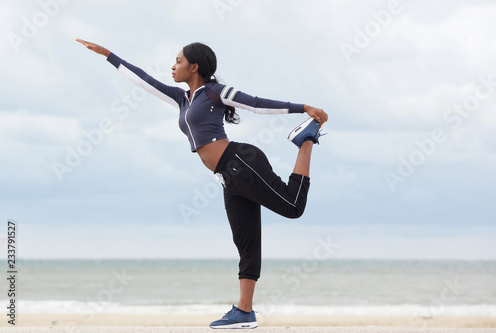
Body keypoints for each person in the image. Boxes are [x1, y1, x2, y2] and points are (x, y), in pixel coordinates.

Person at [76, 38, 328, 329]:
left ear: (194, 67)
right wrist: (108, 54)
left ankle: (306, 140)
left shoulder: (215, 93)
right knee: (246, 244)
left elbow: (257, 104)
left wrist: (303, 107)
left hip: (241, 162)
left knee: (293, 206)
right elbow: (144, 80)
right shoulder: (182, 98)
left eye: (179, 61)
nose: (173, 66)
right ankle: (245, 312)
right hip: (227, 177)